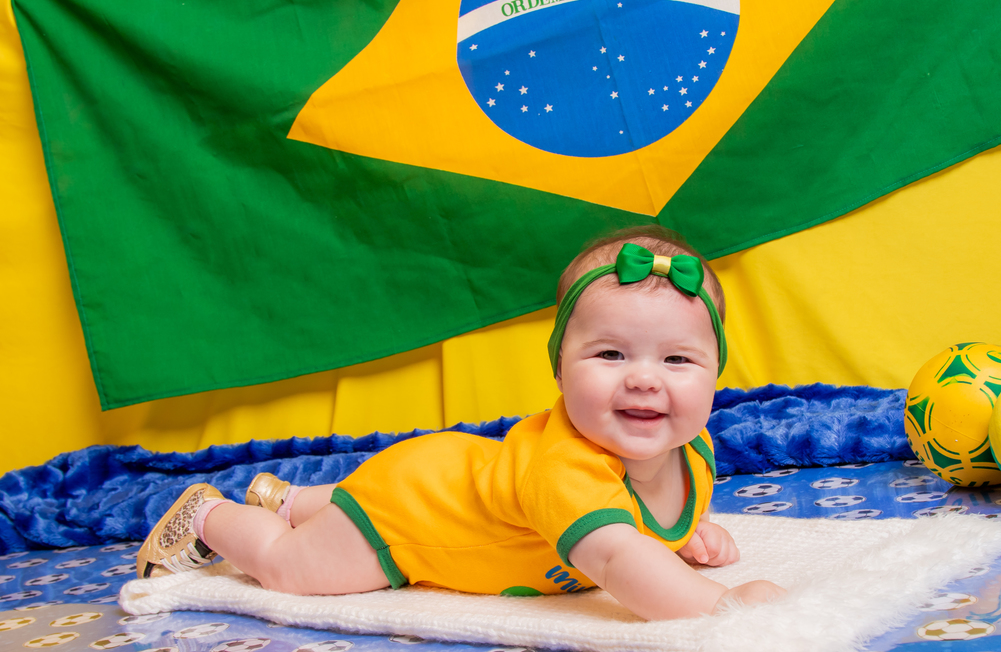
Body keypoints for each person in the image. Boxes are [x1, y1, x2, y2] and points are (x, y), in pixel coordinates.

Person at [136, 226, 785, 620]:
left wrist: (687, 533)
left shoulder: (692, 449)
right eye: (611, 355)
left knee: (353, 506)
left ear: (715, 374)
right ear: (560, 369)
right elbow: (619, 557)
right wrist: (718, 608)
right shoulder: (566, 471)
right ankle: (210, 516)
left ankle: (288, 500)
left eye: (677, 360)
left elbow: (639, 523)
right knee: (293, 571)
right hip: (413, 514)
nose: (644, 379)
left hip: (456, 477)